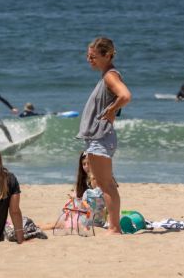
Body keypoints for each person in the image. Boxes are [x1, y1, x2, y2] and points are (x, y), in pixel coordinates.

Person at [77, 37, 131, 235]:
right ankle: (113, 226)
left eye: (93, 56)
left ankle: (114, 228)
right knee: (104, 183)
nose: (89, 60)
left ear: (107, 55)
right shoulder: (106, 75)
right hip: (98, 137)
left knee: (106, 184)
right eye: (88, 56)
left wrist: (112, 110)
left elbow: (125, 95)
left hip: (101, 137)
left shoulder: (110, 76)